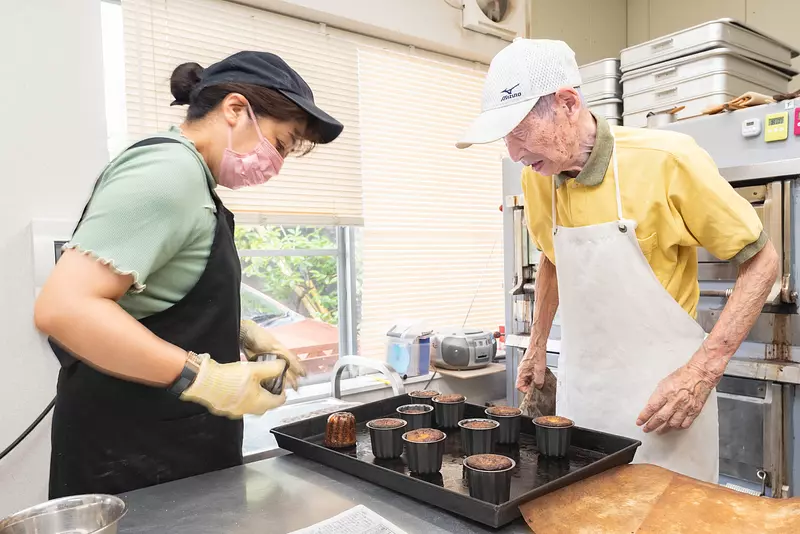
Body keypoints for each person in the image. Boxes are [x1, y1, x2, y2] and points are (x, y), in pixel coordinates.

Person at [457, 39, 779, 482]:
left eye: (519, 131)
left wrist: (702, 374)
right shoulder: (539, 176)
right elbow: (553, 258)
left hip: (664, 405)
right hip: (584, 399)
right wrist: (536, 344)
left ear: (567, 104)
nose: (514, 153)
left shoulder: (668, 160)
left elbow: (763, 261)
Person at [34, 51, 344, 498]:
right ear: (235, 110)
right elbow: (64, 309)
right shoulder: (170, 172)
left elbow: (148, 300)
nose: (275, 163)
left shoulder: (194, 179)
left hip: (168, 443)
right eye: (279, 143)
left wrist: (234, 328)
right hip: (133, 455)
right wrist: (205, 378)